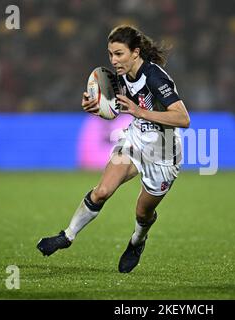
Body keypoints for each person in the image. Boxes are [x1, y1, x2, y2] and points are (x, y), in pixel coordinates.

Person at [36, 25, 190, 273]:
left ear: (136, 52)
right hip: (135, 140)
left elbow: (183, 119)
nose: (114, 60)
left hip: (163, 155)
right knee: (102, 191)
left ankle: (137, 242)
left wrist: (139, 111)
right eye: (110, 54)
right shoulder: (120, 78)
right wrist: (96, 108)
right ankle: (67, 235)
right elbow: (116, 111)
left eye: (119, 54)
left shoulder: (154, 77)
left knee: (143, 213)